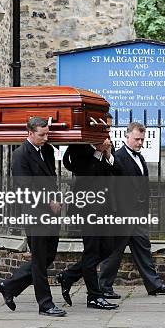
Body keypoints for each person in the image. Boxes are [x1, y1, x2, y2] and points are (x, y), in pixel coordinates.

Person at [0, 117, 66, 317]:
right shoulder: (20, 155)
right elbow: (25, 187)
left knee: (48, 256)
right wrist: (48, 201)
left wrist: (57, 199)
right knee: (38, 259)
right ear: (29, 133)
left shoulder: (47, 150)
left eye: (47, 134)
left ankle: (9, 286)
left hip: (51, 212)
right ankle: (45, 304)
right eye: (41, 135)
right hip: (34, 213)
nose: (46, 138)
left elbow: (52, 179)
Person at [98, 122, 165, 298]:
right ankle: (104, 287)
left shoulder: (139, 158)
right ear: (127, 137)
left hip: (138, 215)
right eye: (137, 139)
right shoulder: (118, 156)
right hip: (122, 215)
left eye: (142, 139)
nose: (140, 143)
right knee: (114, 252)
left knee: (143, 249)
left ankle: (154, 285)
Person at [55, 113, 118, 310]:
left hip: (105, 207)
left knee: (108, 247)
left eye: (109, 127)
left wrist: (107, 155)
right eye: (104, 127)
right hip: (86, 208)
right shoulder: (79, 148)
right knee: (91, 251)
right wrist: (98, 153)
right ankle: (94, 296)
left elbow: (117, 173)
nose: (107, 131)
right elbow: (85, 176)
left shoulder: (107, 145)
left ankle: (69, 275)